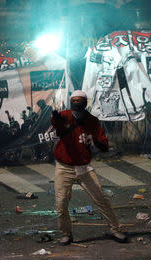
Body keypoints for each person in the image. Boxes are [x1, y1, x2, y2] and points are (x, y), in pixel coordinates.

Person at [51, 90, 127, 245]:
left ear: (85, 103)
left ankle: (115, 229)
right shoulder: (64, 115)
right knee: (61, 203)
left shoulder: (92, 121)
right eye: (74, 100)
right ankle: (66, 234)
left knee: (101, 199)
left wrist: (96, 142)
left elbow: (103, 145)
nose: (76, 102)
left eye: (80, 100)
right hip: (64, 167)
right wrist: (58, 121)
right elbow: (58, 126)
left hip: (84, 167)